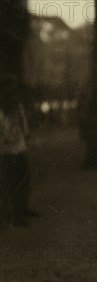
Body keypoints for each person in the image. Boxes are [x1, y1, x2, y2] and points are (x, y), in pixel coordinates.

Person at [0, 74, 38, 227]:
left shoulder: (17, 106)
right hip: (5, 152)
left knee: (25, 178)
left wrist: (25, 134)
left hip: (19, 148)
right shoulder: (1, 113)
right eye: (9, 93)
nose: (13, 96)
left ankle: (22, 209)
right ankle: (14, 216)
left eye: (15, 92)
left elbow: (23, 124)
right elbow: (5, 134)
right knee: (9, 183)